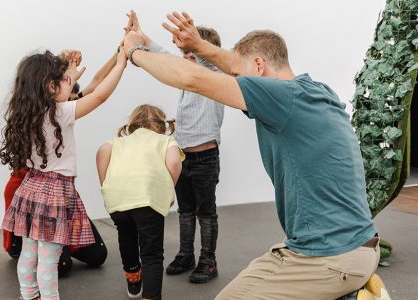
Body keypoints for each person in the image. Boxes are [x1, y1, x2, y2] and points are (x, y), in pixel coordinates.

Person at [122, 11, 390, 300]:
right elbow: (225, 64)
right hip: (338, 247)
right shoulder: (312, 91)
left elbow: (191, 77)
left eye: (237, 77)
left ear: (259, 66)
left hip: (331, 258)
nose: (232, 82)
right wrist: (193, 45)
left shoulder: (280, 96)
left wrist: (134, 51)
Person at [0, 40, 127, 300]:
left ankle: (29, 295)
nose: (69, 81)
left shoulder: (27, 114)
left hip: (31, 189)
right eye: (63, 79)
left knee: (29, 253)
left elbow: (69, 89)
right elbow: (99, 95)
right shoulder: (60, 112)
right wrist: (122, 64)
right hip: (55, 192)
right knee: (49, 258)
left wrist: (68, 67)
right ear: (49, 86)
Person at [126, 11, 224, 283]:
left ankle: (208, 259)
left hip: (206, 157)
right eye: (186, 56)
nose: (186, 62)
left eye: (193, 54)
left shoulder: (214, 74)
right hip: (183, 157)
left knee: (206, 212)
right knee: (185, 211)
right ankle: (186, 254)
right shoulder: (184, 74)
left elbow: (205, 58)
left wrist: (195, 45)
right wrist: (142, 37)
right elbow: (163, 56)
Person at [96, 104, 184, 300]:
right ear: (161, 125)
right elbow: (174, 163)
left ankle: (134, 280)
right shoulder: (166, 141)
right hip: (147, 199)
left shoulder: (117, 142)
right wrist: (167, 187)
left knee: (126, 236)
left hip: (117, 199)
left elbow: (102, 151)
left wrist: (106, 186)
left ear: (133, 124)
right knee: (152, 253)